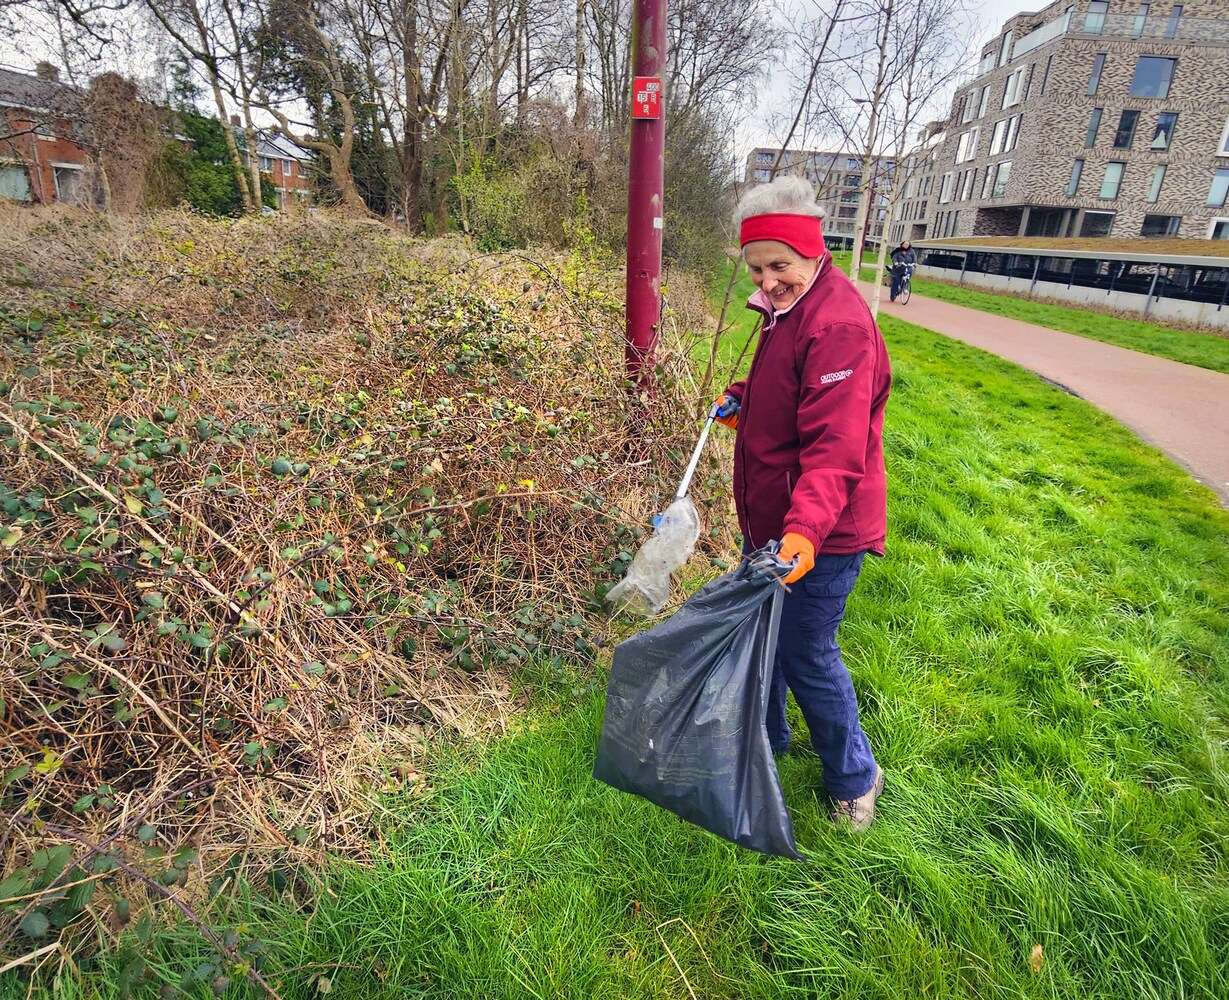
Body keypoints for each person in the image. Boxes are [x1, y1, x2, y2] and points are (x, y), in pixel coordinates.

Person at [714, 175, 891, 832]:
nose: (767, 281)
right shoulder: (789, 308)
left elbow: (835, 447)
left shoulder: (838, 325)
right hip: (775, 520)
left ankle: (855, 776)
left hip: (822, 530)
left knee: (805, 651)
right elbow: (791, 387)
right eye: (756, 269)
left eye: (779, 265)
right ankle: (768, 743)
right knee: (766, 637)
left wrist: (805, 533)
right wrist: (744, 397)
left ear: (812, 252)